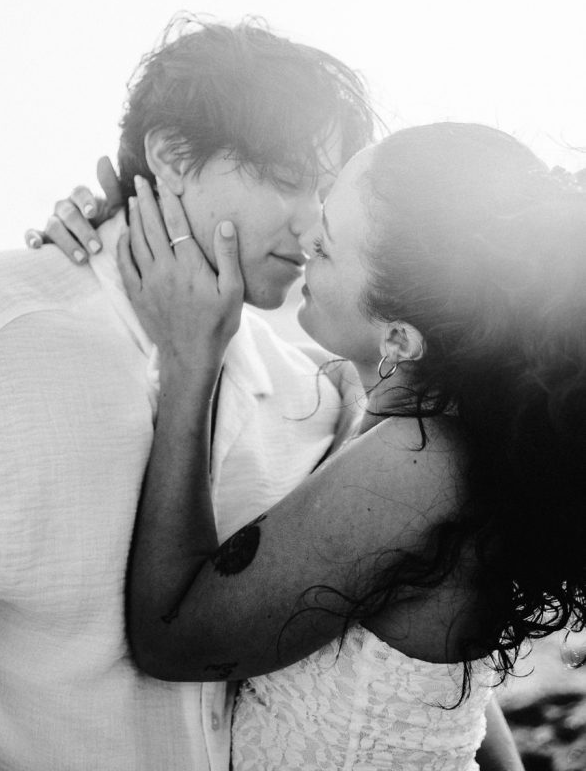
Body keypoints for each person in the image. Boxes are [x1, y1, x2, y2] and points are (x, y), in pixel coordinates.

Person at [0, 17, 376, 770]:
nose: (313, 223)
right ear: (171, 155)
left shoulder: (310, 398)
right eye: (287, 179)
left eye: (327, 191)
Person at [88, 121, 583, 770]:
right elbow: (450, 691)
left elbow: (171, 639)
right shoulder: (443, 428)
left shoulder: (416, 464)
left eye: (326, 248)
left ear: (399, 340)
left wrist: (188, 360)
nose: (305, 240)